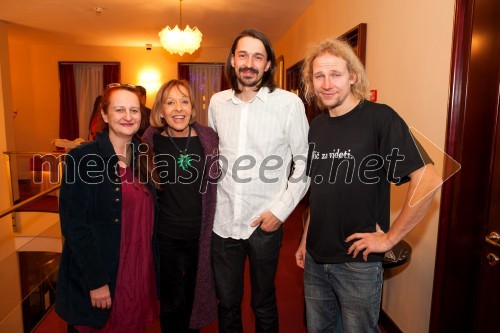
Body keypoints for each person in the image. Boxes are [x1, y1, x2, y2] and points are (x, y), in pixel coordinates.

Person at [295, 38, 443, 332]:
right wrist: (304, 239)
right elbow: (321, 192)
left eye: (335, 74)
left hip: (357, 264)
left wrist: (389, 239)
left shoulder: (380, 118)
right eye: (319, 75)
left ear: (353, 76)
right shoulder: (317, 127)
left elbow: (428, 180)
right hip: (314, 259)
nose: (327, 84)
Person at [208, 28, 310, 333]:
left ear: (268, 65)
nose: (249, 63)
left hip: (264, 223)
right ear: (232, 60)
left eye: (257, 56)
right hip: (223, 222)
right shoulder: (217, 103)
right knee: (227, 303)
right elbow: (215, 155)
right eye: (243, 55)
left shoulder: (288, 105)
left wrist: (279, 211)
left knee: (263, 302)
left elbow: (303, 165)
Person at [56, 83, 160, 332]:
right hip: (105, 275)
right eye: (120, 109)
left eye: (134, 110)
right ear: (104, 115)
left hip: (137, 273)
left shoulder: (144, 154)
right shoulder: (82, 158)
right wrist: (96, 280)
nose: (128, 116)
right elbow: (73, 226)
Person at [142, 79, 219, 332]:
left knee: (194, 298)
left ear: (192, 107)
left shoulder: (209, 139)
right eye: (170, 102)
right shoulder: (150, 142)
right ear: (161, 110)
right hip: (166, 236)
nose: (178, 108)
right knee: (171, 302)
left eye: (184, 101)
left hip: (201, 234)